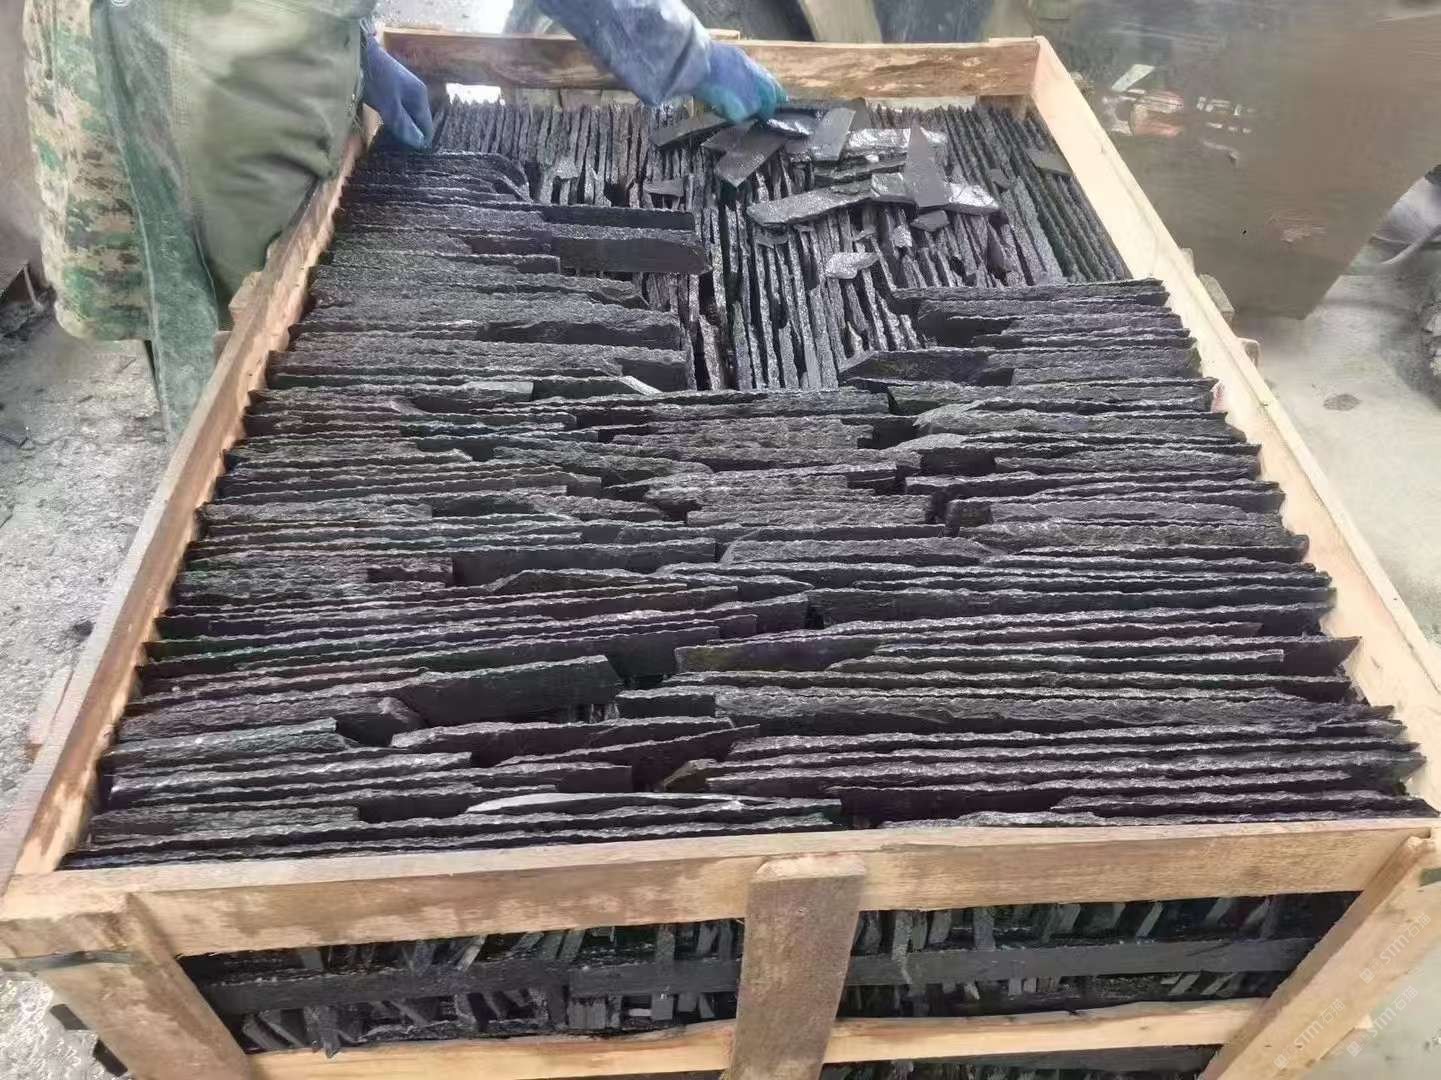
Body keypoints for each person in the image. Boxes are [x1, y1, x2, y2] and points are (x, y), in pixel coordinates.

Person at [22, 0, 784, 436]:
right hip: (199, 53)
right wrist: (680, 54)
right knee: (238, 298)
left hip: (198, 27)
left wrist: (351, 41)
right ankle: (256, 471)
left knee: (218, 273)